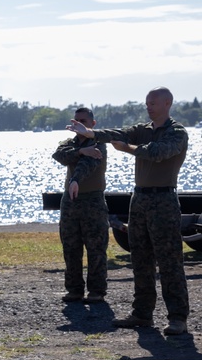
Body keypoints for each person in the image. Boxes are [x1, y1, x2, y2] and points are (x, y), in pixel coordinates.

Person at [68, 87, 189, 335]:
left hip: (163, 200)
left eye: (153, 103)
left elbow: (157, 153)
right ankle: (142, 313)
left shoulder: (177, 132)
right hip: (140, 199)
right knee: (141, 259)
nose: (148, 106)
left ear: (167, 103)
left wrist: (128, 149)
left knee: (169, 262)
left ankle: (177, 318)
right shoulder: (142, 130)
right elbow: (118, 132)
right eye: (147, 103)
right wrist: (91, 132)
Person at [52, 107, 108, 303]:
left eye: (83, 121)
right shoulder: (69, 144)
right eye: (76, 121)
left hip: (92, 201)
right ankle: (74, 289)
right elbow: (59, 155)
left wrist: (75, 179)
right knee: (71, 247)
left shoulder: (99, 144)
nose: (79, 124)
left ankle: (97, 290)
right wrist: (81, 150)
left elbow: (88, 165)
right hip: (71, 202)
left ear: (93, 123)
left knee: (96, 248)